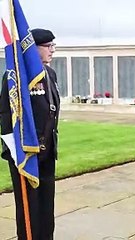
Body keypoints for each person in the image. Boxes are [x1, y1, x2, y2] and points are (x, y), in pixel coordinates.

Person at [1, 28, 59, 240]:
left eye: (54, 45)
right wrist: (14, 151)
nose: (52, 50)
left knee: (46, 204)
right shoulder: (16, 76)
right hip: (25, 154)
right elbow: (7, 116)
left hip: (47, 151)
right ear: (32, 48)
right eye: (48, 46)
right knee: (29, 207)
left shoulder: (49, 73)